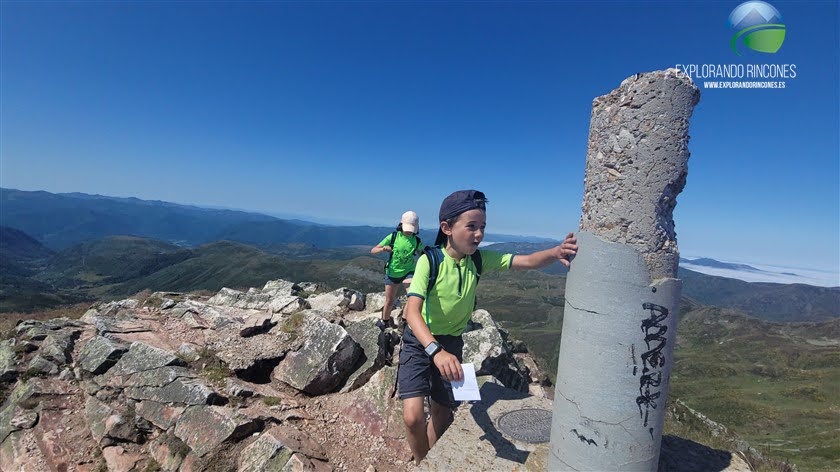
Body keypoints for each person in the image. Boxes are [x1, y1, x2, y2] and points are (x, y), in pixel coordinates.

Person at [398, 189, 577, 464]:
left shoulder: (478, 260)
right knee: (412, 416)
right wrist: (436, 350)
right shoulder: (429, 261)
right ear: (447, 228)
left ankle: (432, 460)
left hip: (452, 342)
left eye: (482, 227)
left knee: (443, 413)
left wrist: (555, 252)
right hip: (421, 341)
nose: (479, 234)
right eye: (471, 227)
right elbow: (412, 312)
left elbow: (525, 262)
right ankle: (422, 462)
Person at [371, 210, 423, 329]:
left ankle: (404, 321)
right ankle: (385, 321)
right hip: (392, 273)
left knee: (412, 297)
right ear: (401, 224)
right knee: (389, 301)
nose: (409, 231)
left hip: (409, 272)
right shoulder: (393, 237)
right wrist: (383, 249)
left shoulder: (417, 241)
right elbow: (373, 250)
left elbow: (423, 255)